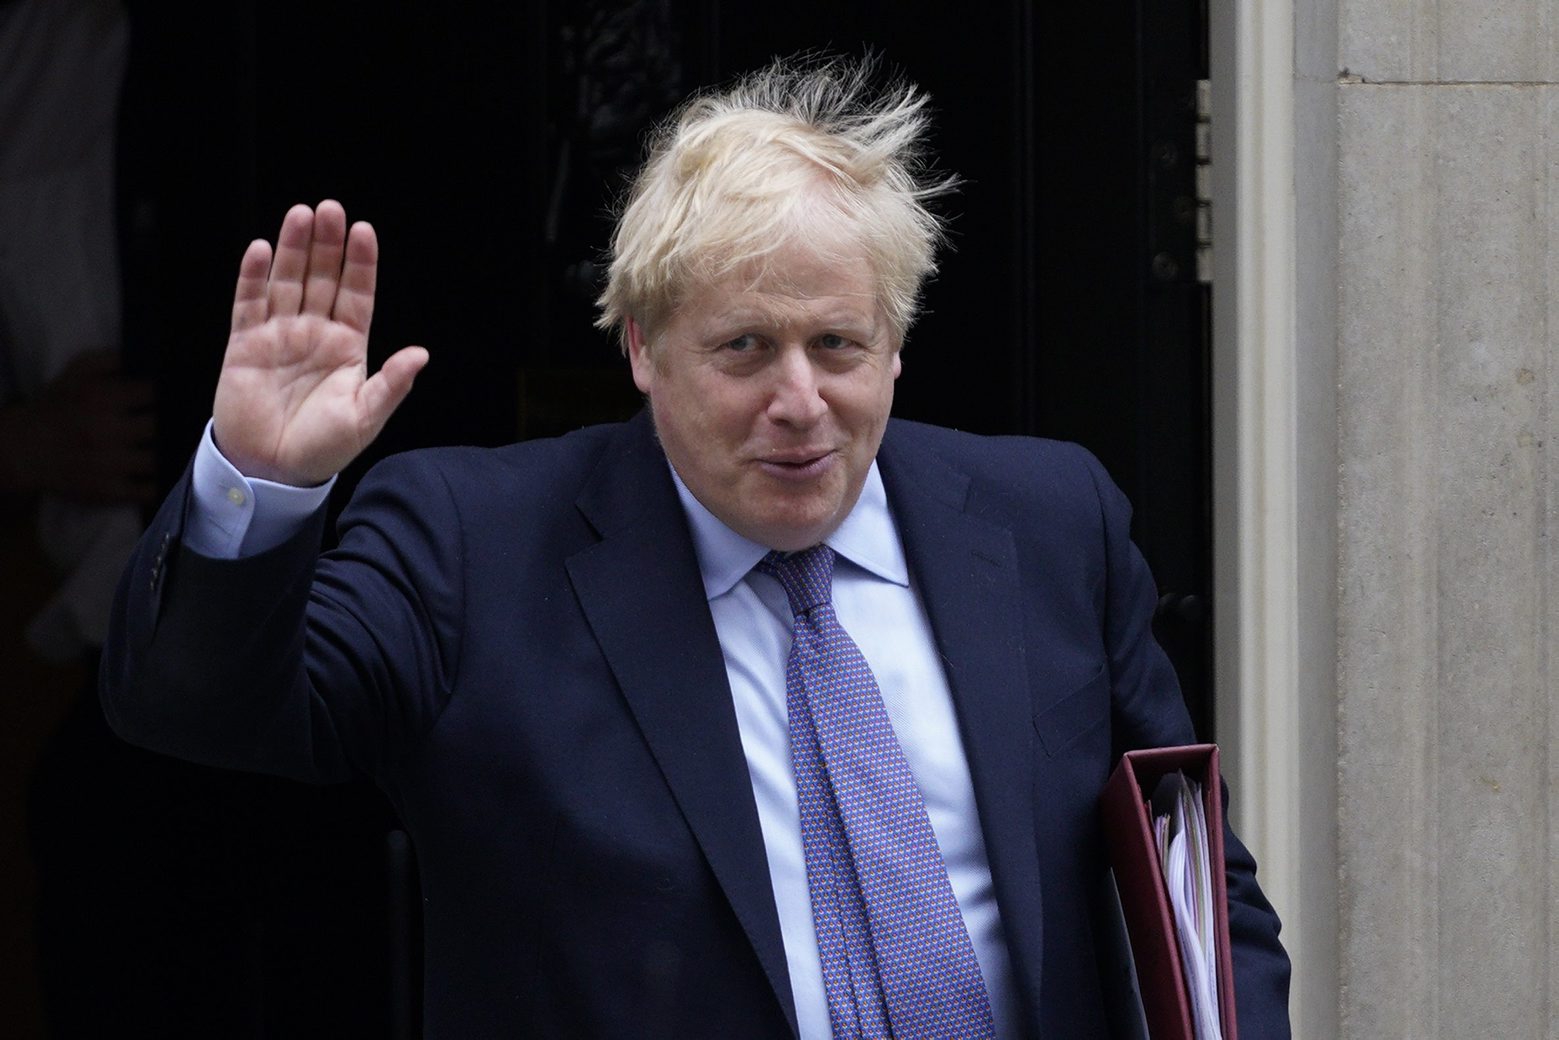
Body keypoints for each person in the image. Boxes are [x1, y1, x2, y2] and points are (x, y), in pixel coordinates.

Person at [101, 56, 1290, 1038]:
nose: (798, 400)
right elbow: (204, 713)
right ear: (641, 348)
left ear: (895, 343)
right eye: (741, 348)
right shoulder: (471, 543)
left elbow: (1189, 876)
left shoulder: (1046, 520)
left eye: (835, 342)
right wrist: (259, 480)